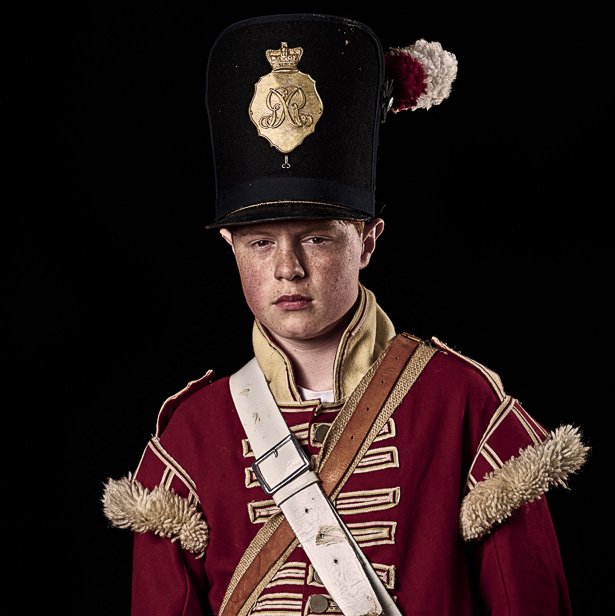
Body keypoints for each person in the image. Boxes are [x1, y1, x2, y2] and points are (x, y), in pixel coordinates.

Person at [102, 13, 588, 616]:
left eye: (316, 238)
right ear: (229, 246)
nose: (287, 268)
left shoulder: (462, 404)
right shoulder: (190, 437)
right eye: (259, 242)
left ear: (368, 240)